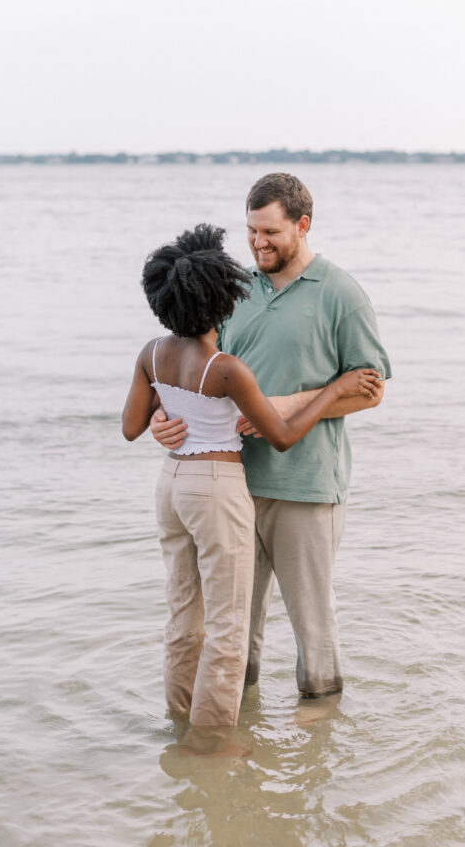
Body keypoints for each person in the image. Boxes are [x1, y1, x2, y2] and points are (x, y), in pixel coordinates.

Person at [122, 223, 382, 734]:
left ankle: (180, 719)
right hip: (217, 488)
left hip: (171, 486)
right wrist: (333, 390)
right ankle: (213, 737)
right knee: (229, 621)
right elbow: (281, 435)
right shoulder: (226, 368)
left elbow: (131, 426)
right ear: (222, 302)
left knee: (183, 613)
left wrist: (162, 416)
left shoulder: (151, 352)